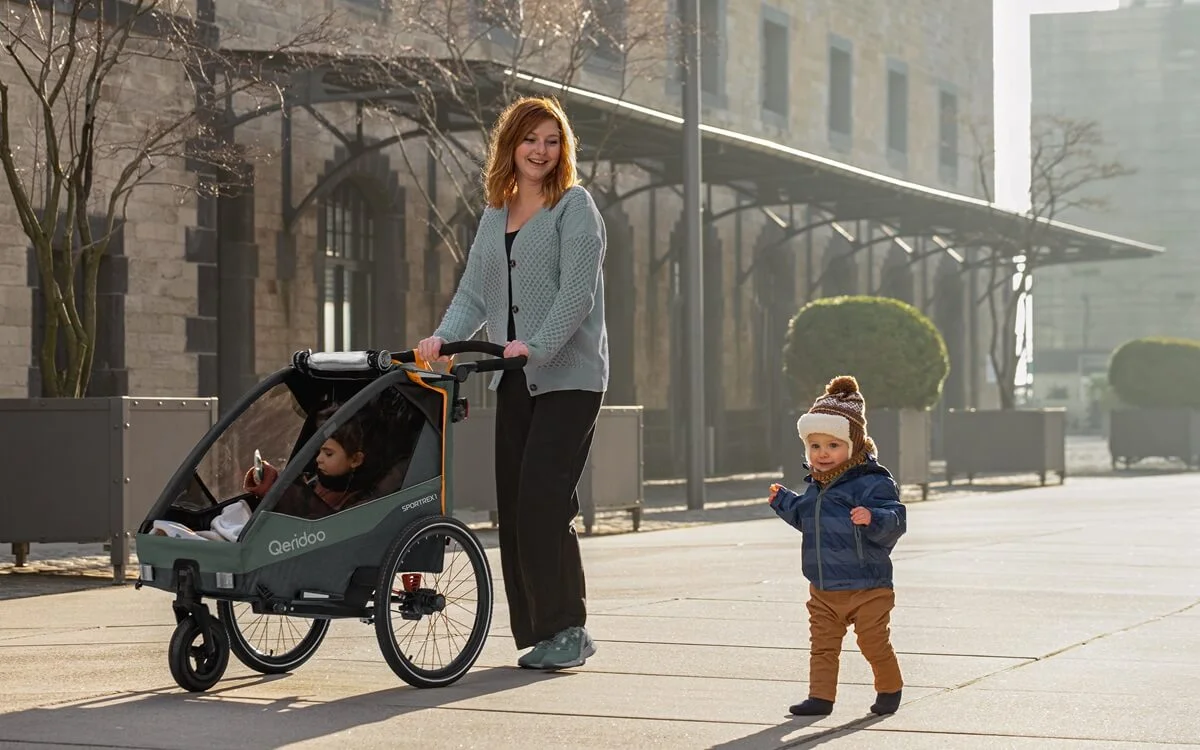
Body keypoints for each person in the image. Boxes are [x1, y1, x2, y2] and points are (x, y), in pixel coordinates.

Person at [417, 95, 608, 671]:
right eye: (531, 140)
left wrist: (538, 346)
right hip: (516, 379)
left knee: (543, 504)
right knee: (516, 507)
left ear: (563, 148)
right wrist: (443, 342)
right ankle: (540, 632)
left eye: (553, 141)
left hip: (569, 378)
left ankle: (568, 629)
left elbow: (577, 292)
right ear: (511, 145)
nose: (541, 151)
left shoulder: (575, 207)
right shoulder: (496, 214)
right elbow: (475, 292)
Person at [767, 375, 907, 717]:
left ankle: (890, 688)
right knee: (823, 646)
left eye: (833, 445)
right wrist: (785, 502)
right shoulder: (816, 486)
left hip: (868, 586)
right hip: (825, 585)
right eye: (815, 446)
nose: (823, 454)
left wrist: (872, 517)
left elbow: (896, 518)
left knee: (873, 642)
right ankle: (820, 698)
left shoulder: (871, 482)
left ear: (854, 445)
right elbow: (807, 518)